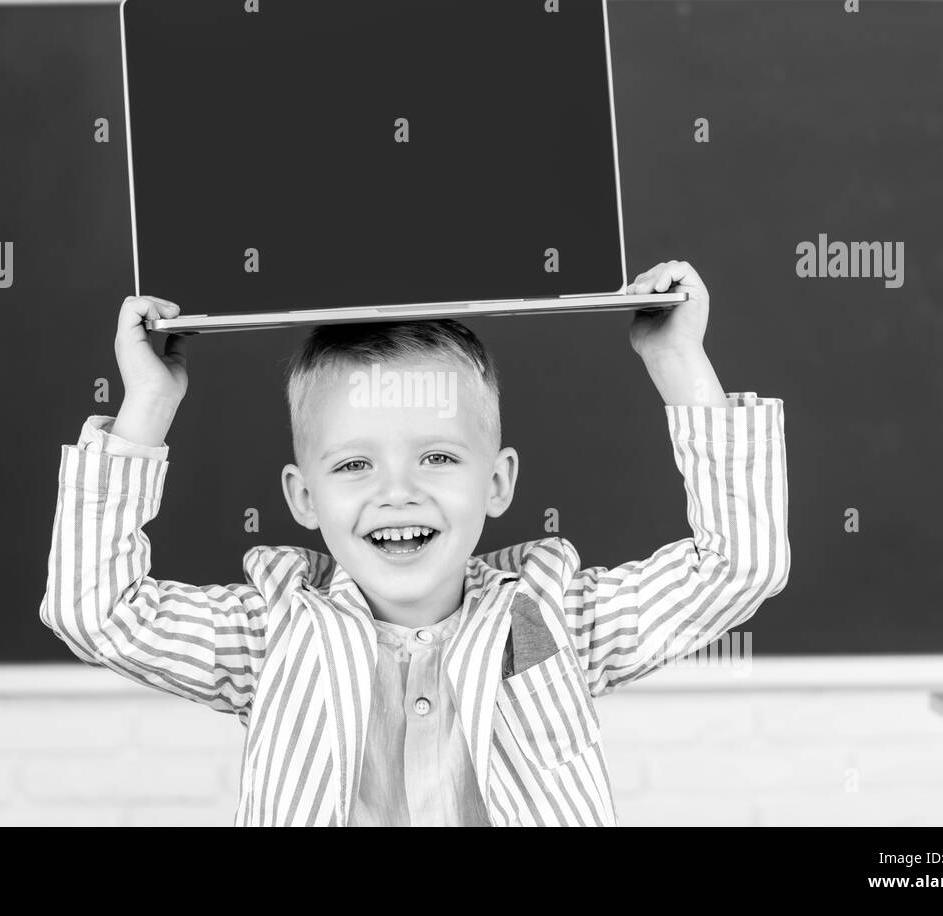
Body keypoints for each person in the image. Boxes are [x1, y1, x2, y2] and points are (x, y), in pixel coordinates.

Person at [39, 260, 790, 826]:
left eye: (436, 456)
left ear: (498, 483)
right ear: (304, 497)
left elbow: (739, 563)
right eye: (355, 464)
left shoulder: (548, 621)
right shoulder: (272, 636)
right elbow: (92, 609)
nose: (397, 491)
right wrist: (146, 404)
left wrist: (677, 362)